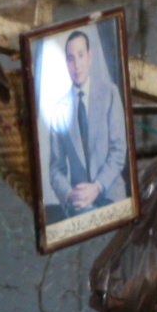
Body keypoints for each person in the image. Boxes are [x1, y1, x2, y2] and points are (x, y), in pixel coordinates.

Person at [42, 26, 126, 220]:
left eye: (80, 55)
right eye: (70, 59)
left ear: (90, 56)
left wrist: (97, 187)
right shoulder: (58, 110)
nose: (76, 65)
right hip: (79, 204)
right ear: (66, 63)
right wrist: (70, 195)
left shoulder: (109, 93)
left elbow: (118, 151)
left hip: (111, 196)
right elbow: (56, 168)